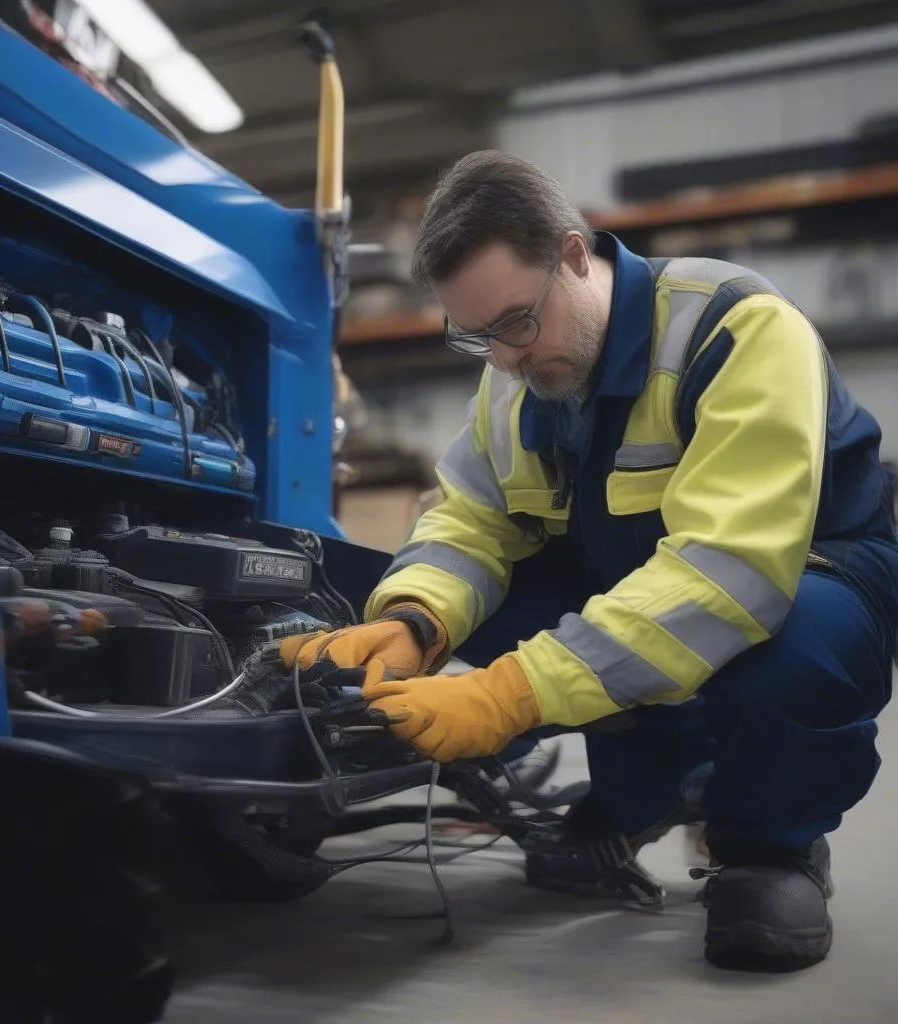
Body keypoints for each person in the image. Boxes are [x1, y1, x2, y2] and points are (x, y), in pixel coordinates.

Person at [280, 151, 898, 970]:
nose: (501, 357)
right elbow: (470, 519)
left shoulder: (737, 328)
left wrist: (511, 694)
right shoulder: (516, 379)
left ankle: (771, 848)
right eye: (476, 336)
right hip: (649, 575)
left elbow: (727, 570)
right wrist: (411, 621)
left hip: (813, 570)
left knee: (789, 642)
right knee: (493, 595)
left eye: (515, 322)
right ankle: (640, 794)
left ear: (575, 256)